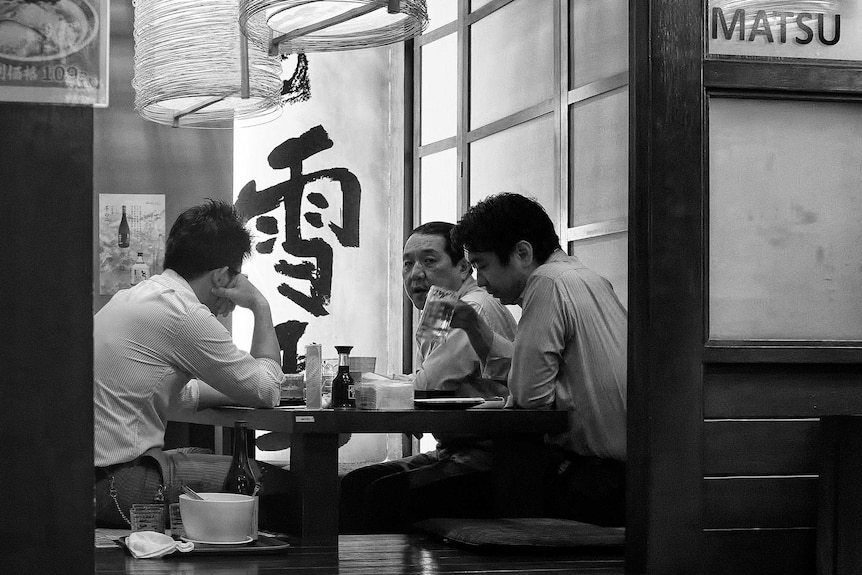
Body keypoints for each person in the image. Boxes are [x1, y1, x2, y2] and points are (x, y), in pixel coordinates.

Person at [93, 199, 292, 531]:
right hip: (119, 485)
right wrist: (259, 304)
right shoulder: (182, 313)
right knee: (275, 483)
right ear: (222, 276)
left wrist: (232, 387)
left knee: (202, 452)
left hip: (88, 481)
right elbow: (268, 390)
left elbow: (168, 394)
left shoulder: (136, 296)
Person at [450, 192, 627, 527]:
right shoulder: (583, 276)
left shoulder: (545, 283)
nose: (480, 281)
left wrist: (509, 400)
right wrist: (473, 324)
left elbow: (530, 400)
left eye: (482, 265)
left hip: (599, 481)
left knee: (442, 496)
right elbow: (532, 373)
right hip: (636, 478)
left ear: (522, 252)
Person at [338, 221, 517, 533]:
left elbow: (425, 387)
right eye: (408, 264)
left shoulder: (473, 308)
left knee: (383, 494)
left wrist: (372, 383)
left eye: (429, 261)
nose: (415, 274)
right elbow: (424, 380)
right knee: (356, 483)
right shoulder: (438, 310)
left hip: (495, 460)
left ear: (464, 268)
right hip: (454, 451)